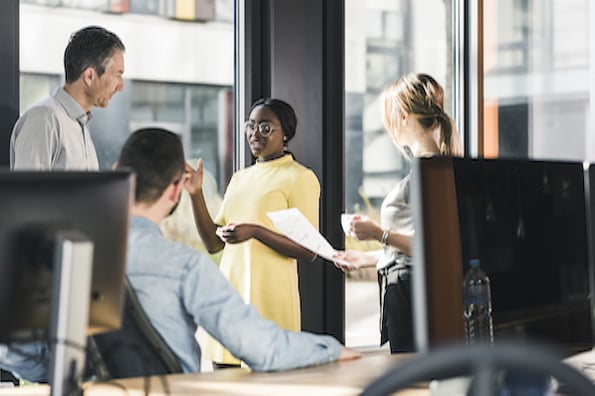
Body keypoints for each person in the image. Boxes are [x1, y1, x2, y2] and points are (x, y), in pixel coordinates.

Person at [116, 127, 360, 372]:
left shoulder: (85, 254)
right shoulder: (184, 266)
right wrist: (331, 349)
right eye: (251, 126)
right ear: (175, 189)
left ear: (117, 172)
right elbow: (260, 348)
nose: (255, 133)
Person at [186, 98, 320, 367]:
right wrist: (196, 194)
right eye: (250, 126)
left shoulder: (299, 178)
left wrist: (256, 232)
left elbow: (309, 250)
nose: (255, 133)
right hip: (231, 300)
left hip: (271, 300)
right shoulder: (240, 178)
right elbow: (214, 244)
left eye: (266, 127)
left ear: (286, 134)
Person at [334, 73, 462, 353]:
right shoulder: (432, 169)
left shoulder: (429, 172)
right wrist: (366, 259)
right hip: (412, 289)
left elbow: (433, 247)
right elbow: (417, 245)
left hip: (413, 293)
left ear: (403, 116)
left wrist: (378, 233)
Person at [10, 25, 125, 170]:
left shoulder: (80, 126)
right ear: (89, 76)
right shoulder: (44, 120)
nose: (121, 86)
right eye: (117, 75)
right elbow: (26, 190)